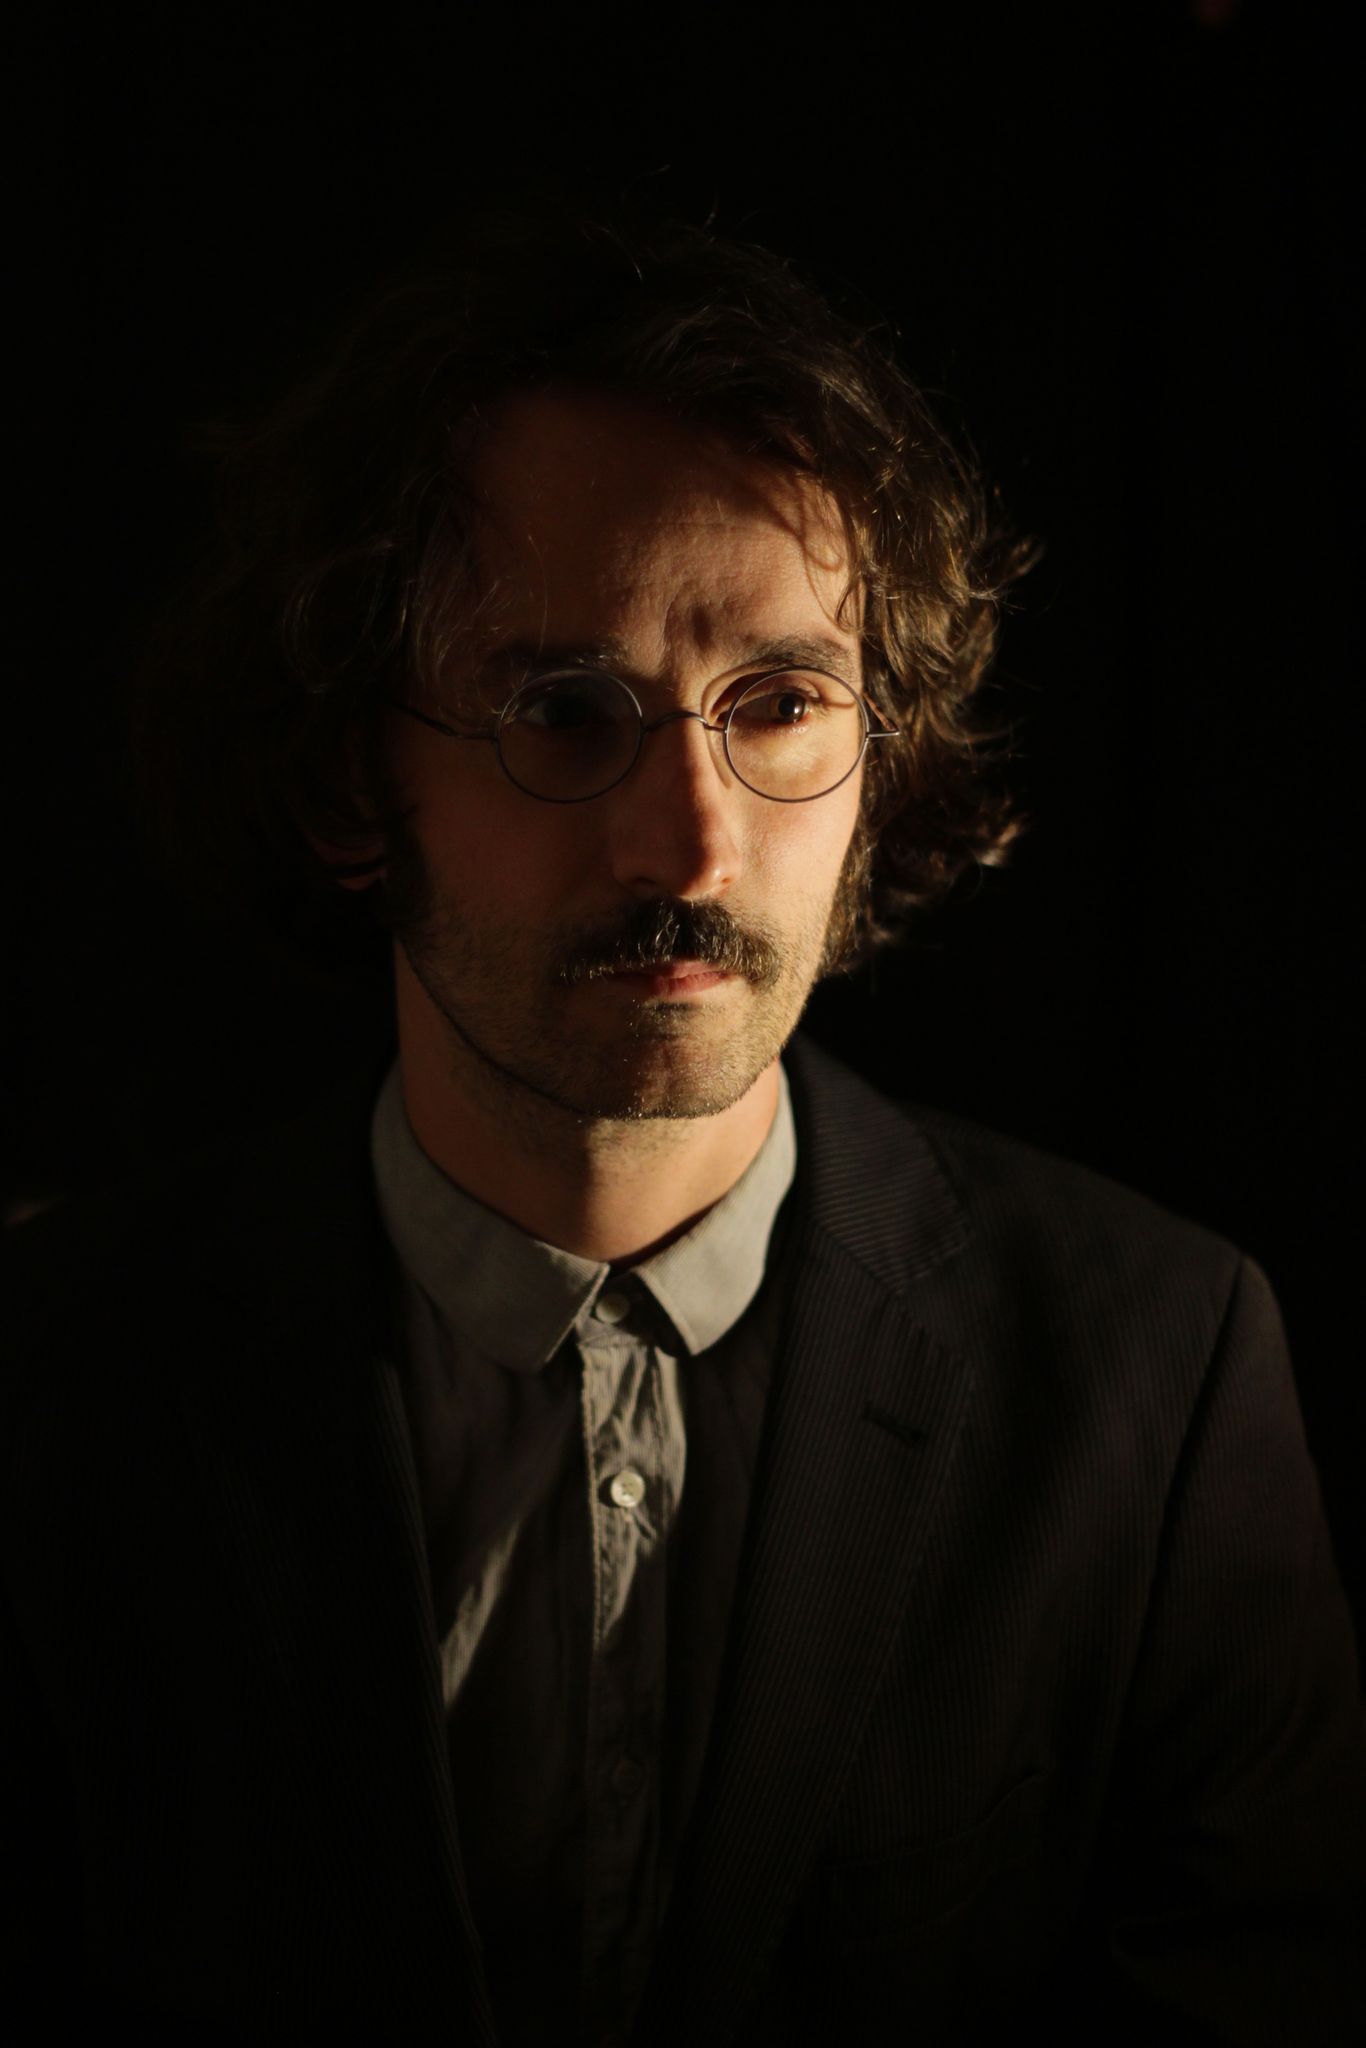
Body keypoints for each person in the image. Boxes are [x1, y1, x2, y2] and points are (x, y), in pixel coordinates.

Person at [4, 195, 1364, 2046]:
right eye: (567, 712)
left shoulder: (1157, 1371)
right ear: (347, 783)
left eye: (781, 704)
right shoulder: (53, 1381)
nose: (696, 845)